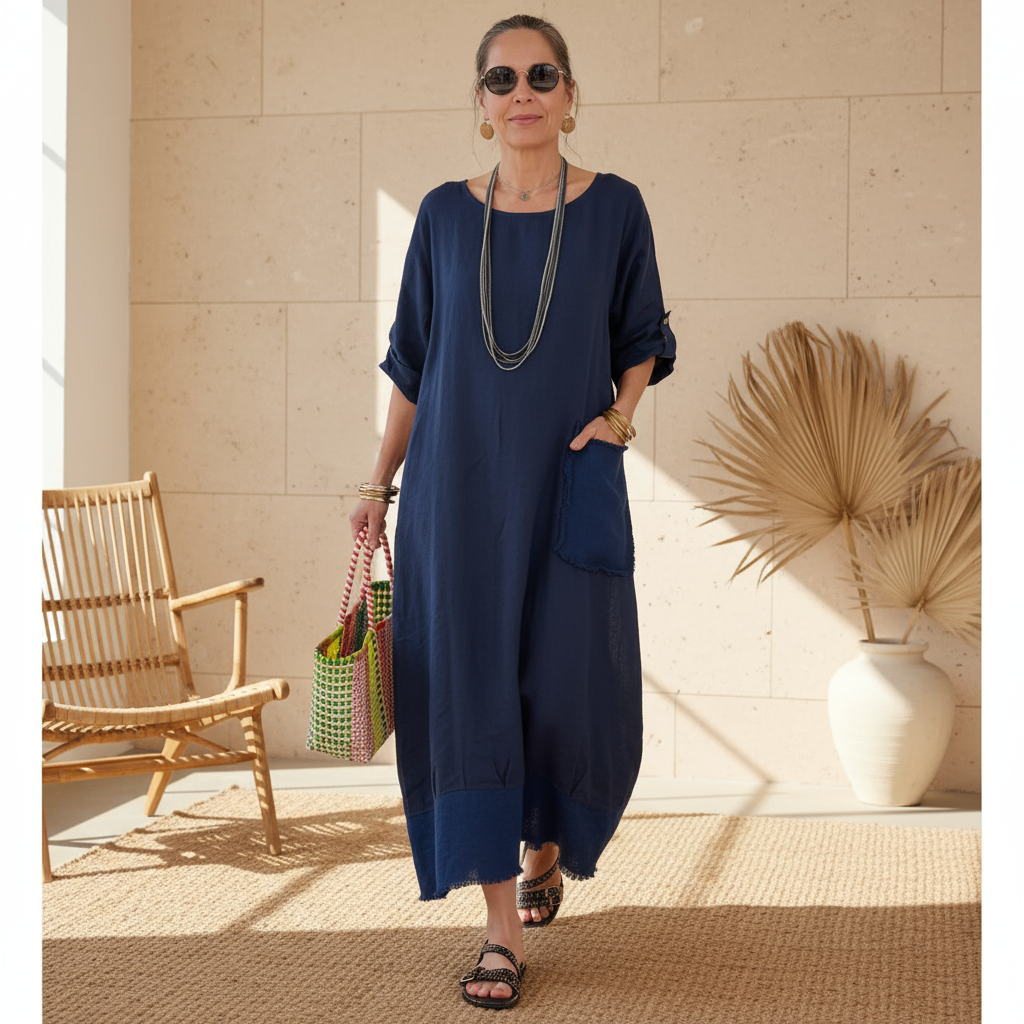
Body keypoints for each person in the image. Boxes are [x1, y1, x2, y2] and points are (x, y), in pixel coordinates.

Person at [349, 13, 676, 1010]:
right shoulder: (444, 217)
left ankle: (546, 844)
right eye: (502, 79)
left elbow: (644, 336)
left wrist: (618, 418)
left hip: (568, 485)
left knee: (571, 685)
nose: (522, 93)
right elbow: (412, 362)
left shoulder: (616, 208)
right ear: (482, 104)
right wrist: (377, 483)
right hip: (453, 497)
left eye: (541, 75)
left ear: (570, 95)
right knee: (469, 693)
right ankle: (499, 932)